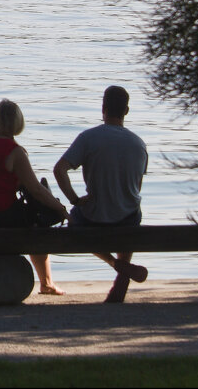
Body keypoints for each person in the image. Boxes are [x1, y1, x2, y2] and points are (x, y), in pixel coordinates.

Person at [0, 98, 71, 295]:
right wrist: (61, 209)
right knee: (39, 223)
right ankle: (46, 283)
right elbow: (36, 190)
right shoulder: (15, 152)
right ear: (18, 123)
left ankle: (46, 283)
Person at [53, 85, 149, 303]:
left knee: (73, 223)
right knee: (132, 208)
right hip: (127, 220)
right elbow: (136, 187)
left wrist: (74, 199)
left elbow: (59, 170)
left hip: (94, 217)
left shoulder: (88, 138)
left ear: (103, 108)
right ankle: (122, 276)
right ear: (126, 111)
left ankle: (117, 265)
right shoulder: (139, 144)